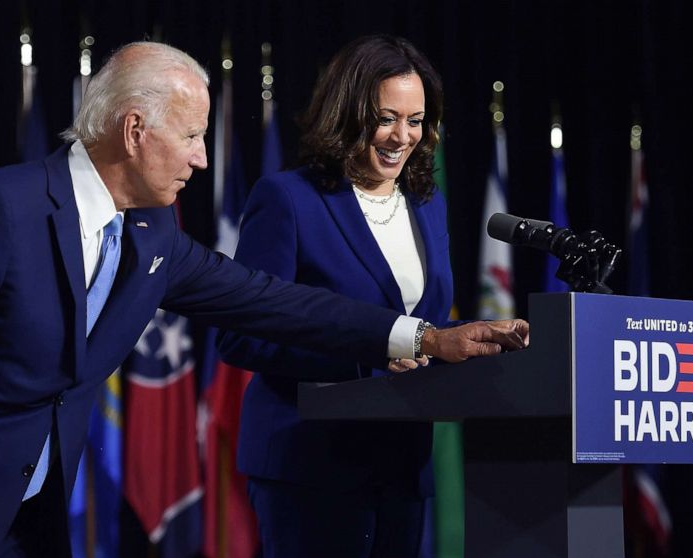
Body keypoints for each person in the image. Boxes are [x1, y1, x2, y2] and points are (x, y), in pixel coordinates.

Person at [0, 41, 527, 558]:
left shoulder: (152, 234)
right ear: (135, 129)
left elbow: (272, 302)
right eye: (193, 136)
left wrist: (426, 339)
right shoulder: (0, 208)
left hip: (21, 520)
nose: (204, 159)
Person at [218, 35, 526, 557]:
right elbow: (242, 335)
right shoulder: (289, 199)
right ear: (348, 112)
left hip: (401, 466)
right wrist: (373, 355)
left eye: (415, 120)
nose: (401, 136)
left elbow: (424, 325)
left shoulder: (426, 205)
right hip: (309, 465)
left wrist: (472, 343)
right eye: (386, 117)